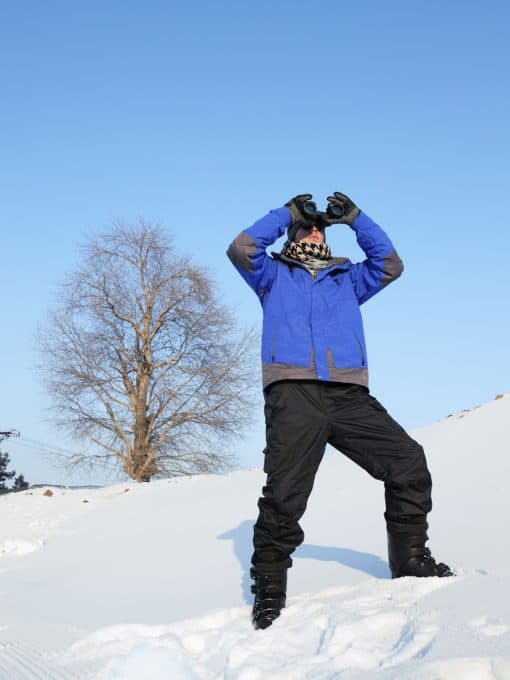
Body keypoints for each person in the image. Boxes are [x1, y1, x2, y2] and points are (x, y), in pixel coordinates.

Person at [227, 191, 452, 631]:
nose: (314, 230)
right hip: (293, 394)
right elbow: (242, 247)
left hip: (348, 394)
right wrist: (287, 213)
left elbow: (390, 265)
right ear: (292, 232)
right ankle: (269, 590)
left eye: (319, 227)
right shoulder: (271, 274)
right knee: (285, 494)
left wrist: (356, 218)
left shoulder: (347, 279)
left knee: (408, 462)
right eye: (306, 226)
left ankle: (409, 561)